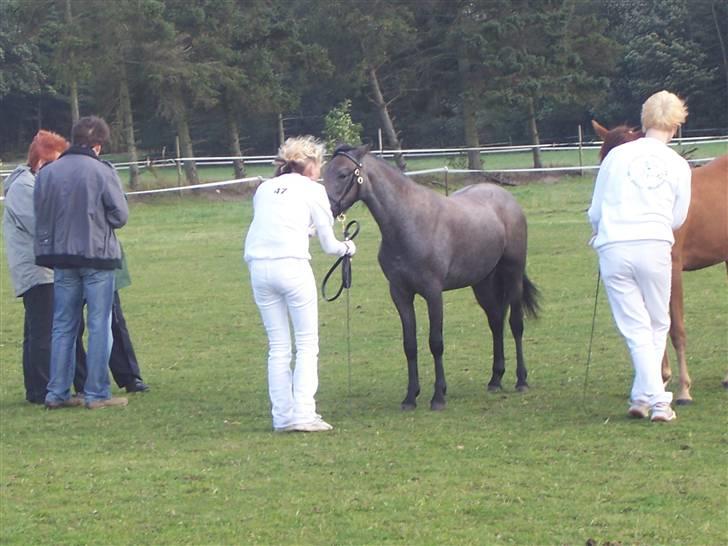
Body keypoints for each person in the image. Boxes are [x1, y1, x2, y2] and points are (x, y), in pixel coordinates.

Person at [588, 90, 691, 422]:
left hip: (614, 247)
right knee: (657, 322)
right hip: (654, 246)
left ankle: (641, 396)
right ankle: (660, 401)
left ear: (645, 120)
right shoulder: (678, 164)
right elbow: (678, 217)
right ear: (675, 125)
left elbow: (595, 210)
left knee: (635, 328)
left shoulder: (616, 157)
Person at [244, 136, 356, 432]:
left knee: (278, 346)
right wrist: (348, 248)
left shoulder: (264, 188)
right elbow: (330, 244)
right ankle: (304, 413)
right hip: (292, 267)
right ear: (311, 164)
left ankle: (282, 417)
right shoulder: (313, 190)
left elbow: (277, 223)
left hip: (258, 267)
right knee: (307, 343)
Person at [34, 116, 130, 410]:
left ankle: (57, 392)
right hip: (97, 256)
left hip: (61, 256)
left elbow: (40, 210)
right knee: (99, 324)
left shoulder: (48, 172)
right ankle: (97, 392)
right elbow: (119, 215)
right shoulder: (102, 171)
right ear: (98, 145)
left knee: (63, 325)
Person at [2, 130, 84, 403]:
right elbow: (41, 226)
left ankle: (40, 387)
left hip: (45, 268)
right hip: (37, 271)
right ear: (41, 162)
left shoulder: (33, 184)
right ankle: (40, 389)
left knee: (40, 329)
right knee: (42, 331)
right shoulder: (23, 188)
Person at [75, 246, 149, 394]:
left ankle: (129, 376)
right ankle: (82, 382)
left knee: (114, 321)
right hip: (69, 260)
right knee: (72, 328)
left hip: (100, 256)